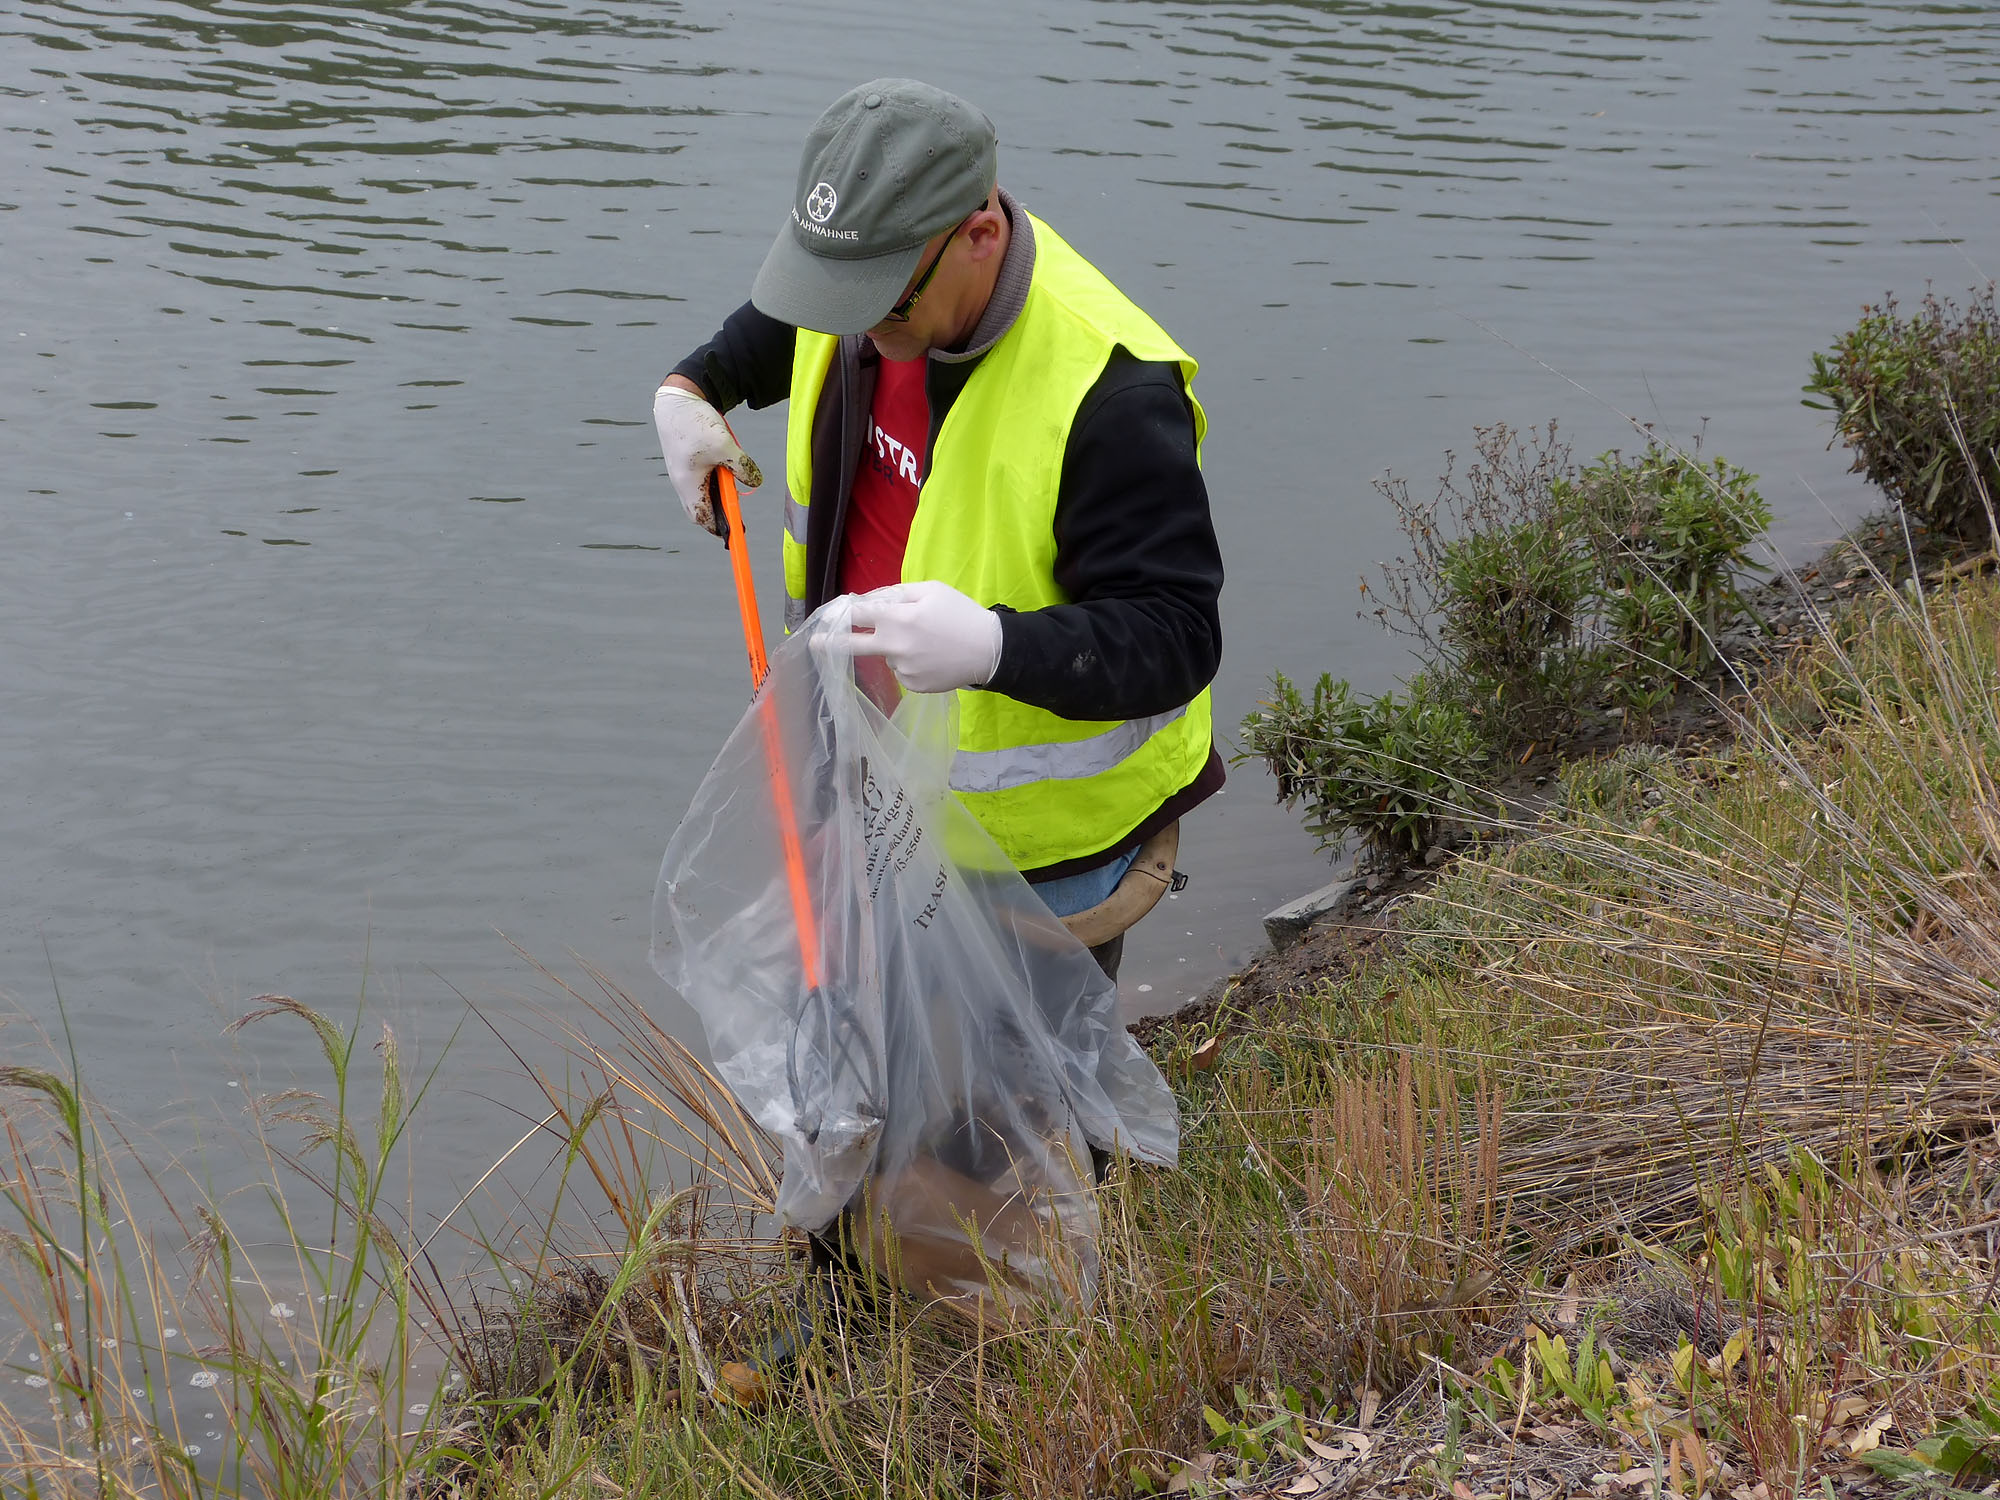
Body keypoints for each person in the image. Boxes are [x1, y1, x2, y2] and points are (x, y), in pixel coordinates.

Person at [652, 78, 1224, 979]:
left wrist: (994, 647)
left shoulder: (1110, 392)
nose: (852, 327)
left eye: (880, 302)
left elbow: (1177, 636)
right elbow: (800, 316)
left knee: (1022, 1069)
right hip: (866, 787)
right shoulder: (876, 292)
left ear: (979, 236)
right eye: (833, 293)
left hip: (1036, 859)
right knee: (870, 1047)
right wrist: (697, 384)